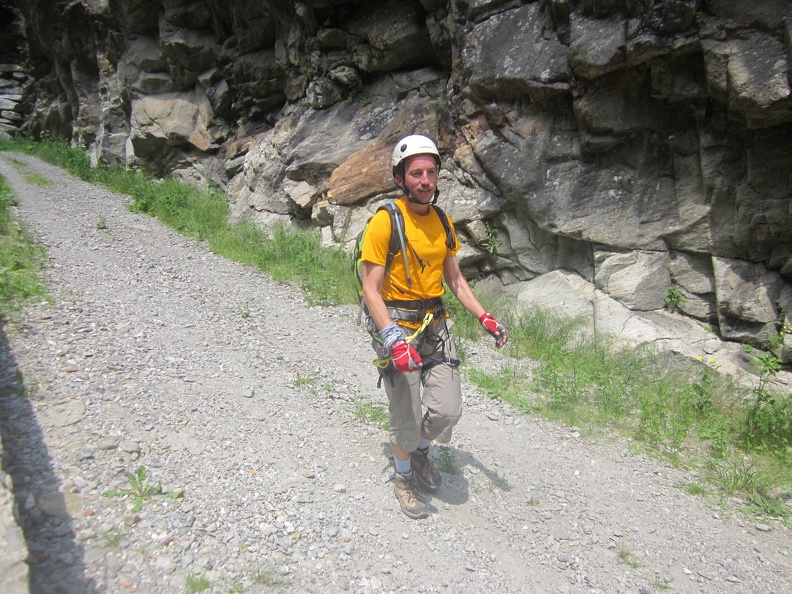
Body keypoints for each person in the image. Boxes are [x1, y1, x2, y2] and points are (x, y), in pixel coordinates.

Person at [360, 134, 508, 520]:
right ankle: (404, 474)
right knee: (406, 415)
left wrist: (484, 316)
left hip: (434, 323)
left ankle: (421, 452)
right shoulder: (384, 222)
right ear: (400, 178)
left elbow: (455, 280)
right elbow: (370, 290)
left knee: (446, 410)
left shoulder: (442, 221)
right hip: (396, 323)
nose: (425, 180)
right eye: (416, 173)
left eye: (431, 171)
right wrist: (392, 338)